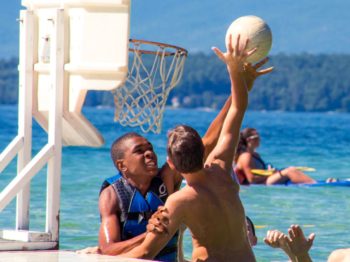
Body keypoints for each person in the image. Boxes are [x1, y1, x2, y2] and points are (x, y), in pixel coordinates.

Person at [118, 34, 273, 261]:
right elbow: (237, 110)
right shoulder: (222, 170)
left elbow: (145, 253)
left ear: (171, 163)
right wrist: (235, 72)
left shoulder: (180, 201)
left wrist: (98, 255)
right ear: (203, 152)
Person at [234, 127, 316, 185]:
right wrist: (271, 174)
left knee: (291, 170)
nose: (259, 139)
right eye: (256, 137)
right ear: (249, 140)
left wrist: (269, 171)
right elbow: (251, 180)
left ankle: (312, 182)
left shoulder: (255, 155)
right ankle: (313, 184)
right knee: (289, 171)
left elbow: (260, 173)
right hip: (260, 184)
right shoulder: (245, 156)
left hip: (264, 180)